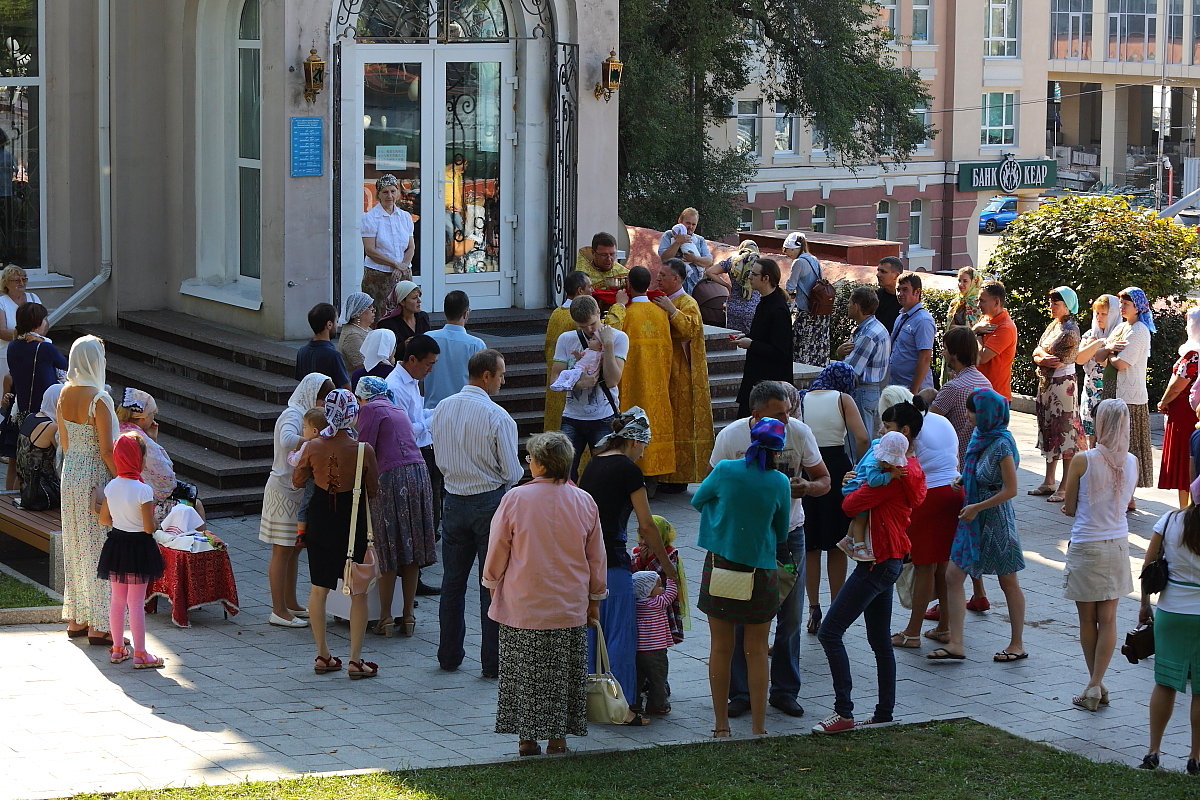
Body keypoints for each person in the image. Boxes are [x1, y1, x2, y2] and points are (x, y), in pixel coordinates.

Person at [482, 431, 606, 757]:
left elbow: (498, 548)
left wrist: (491, 581)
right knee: (562, 674)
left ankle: (526, 738)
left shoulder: (515, 499)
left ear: (538, 463)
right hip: (568, 605)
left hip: (523, 603)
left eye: (530, 458)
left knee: (524, 672)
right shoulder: (583, 501)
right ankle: (557, 739)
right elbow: (596, 557)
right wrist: (595, 598)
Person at [711, 381, 831, 719]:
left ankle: (784, 691)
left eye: (789, 411)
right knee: (738, 614)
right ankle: (740, 692)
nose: (787, 418)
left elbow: (824, 480)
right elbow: (712, 486)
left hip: (789, 536)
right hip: (744, 540)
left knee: (790, 616)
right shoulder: (732, 437)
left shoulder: (799, 432)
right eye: (779, 413)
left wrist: (807, 486)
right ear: (756, 414)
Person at [813, 401, 926, 734]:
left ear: (903, 433)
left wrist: (852, 481)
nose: (880, 433)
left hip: (878, 562)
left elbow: (850, 504)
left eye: (886, 427)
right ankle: (883, 712)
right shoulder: (911, 468)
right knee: (880, 642)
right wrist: (858, 477)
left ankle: (843, 712)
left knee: (829, 631)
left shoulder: (890, 476)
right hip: (890, 560)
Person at [694, 418, 793, 737]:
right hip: (761, 572)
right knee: (757, 649)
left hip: (721, 566)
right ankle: (759, 727)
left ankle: (721, 726)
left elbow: (698, 500)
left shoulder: (724, 470)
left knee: (720, 648)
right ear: (779, 449)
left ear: (751, 439)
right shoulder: (780, 482)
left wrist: (721, 528)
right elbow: (780, 532)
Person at [578, 407, 676, 722]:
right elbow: (646, 525)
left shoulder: (592, 465)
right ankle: (624, 707)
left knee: (592, 631)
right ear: (634, 442)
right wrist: (667, 566)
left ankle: (589, 703)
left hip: (586, 560)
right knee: (620, 634)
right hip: (614, 561)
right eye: (644, 447)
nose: (643, 453)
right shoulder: (628, 471)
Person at [430, 349, 523, 678]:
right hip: (488, 503)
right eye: (500, 374)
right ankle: (492, 662)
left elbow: (437, 453)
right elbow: (512, 472)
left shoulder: (442, 408)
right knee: (492, 584)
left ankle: (449, 654)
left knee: (452, 582)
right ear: (486, 376)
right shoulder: (497, 417)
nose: (503, 380)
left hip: (453, 499)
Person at [930, 388, 1027, 663]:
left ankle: (1017, 643)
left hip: (995, 520)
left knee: (1008, 580)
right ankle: (956, 641)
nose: (968, 415)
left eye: (972, 411)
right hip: (971, 518)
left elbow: (1010, 490)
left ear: (985, 414)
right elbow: (977, 469)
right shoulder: (979, 437)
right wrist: (963, 480)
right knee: (953, 575)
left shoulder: (1002, 444)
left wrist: (977, 506)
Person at [293, 390, 381, 680]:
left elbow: (297, 480)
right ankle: (356, 659)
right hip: (350, 520)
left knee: (318, 588)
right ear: (353, 414)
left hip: (320, 519)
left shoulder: (313, 446)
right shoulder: (362, 449)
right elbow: (373, 490)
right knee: (357, 591)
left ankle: (323, 654)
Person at [1059, 399, 1136, 711]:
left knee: (1086, 620)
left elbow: (1071, 506)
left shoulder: (1083, 459)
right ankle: (1097, 683)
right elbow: (1128, 501)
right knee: (1109, 619)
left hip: (1087, 544)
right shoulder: (1131, 461)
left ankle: (1093, 683)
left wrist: (1069, 506)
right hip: (1118, 543)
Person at [787, 367, 867, 636]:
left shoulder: (802, 397)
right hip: (836, 468)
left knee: (810, 545)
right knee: (836, 544)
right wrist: (861, 466)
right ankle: (836, 608)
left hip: (809, 468)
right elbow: (863, 436)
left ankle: (813, 607)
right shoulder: (843, 399)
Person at [355, 377, 436, 638]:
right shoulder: (396, 407)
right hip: (418, 473)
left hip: (390, 476)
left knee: (387, 545)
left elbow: (362, 450)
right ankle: (408, 616)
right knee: (410, 547)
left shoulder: (369, 409)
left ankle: (386, 616)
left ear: (363, 396)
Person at [887, 390, 966, 650]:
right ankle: (944, 626)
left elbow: (902, 471)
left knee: (923, 567)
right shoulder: (940, 420)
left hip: (929, 497)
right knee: (942, 565)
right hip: (954, 492)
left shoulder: (911, 435)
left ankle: (912, 632)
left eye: (888, 426)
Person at [259, 372, 333, 628]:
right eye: (322, 399)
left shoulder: (302, 413)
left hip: (294, 492)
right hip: (282, 490)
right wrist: (316, 441)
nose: (323, 405)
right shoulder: (292, 414)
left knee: (292, 550)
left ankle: (290, 603)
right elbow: (287, 440)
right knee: (281, 550)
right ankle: (278, 610)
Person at [58, 335, 119, 644]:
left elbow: (65, 443)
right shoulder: (100, 398)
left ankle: (78, 619)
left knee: (76, 545)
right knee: (100, 548)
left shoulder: (64, 393)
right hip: (96, 476)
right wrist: (126, 478)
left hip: (71, 475)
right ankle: (100, 624)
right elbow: (107, 449)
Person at [1137, 496, 1200, 774]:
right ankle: (1195, 757)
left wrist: (1144, 604)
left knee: (1165, 683)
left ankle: (1153, 751)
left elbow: (1149, 565)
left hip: (1172, 611)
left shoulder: (1170, 520)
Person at [96, 432, 165, 670]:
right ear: (138, 459)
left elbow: (105, 519)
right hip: (139, 547)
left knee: (117, 600)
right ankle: (141, 654)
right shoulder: (143, 490)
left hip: (116, 544)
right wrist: (156, 522)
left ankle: (117, 648)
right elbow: (148, 527)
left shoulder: (111, 486)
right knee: (136, 603)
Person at [551, 295, 629, 480]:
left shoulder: (619, 338)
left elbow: (612, 380)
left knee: (605, 473)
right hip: (572, 416)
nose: (588, 330)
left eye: (592, 324)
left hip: (603, 417)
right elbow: (555, 378)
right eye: (581, 326)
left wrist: (608, 344)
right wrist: (580, 383)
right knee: (563, 472)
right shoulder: (566, 339)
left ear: (598, 312)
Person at [653, 258, 712, 489]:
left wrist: (671, 311)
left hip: (682, 372)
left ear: (676, 279)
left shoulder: (687, 302)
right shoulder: (660, 298)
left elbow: (690, 329)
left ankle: (679, 477)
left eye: (662, 275)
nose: (658, 278)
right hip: (664, 368)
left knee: (681, 421)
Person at [614, 265, 676, 478]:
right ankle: (654, 476)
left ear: (628, 286)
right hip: (657, 381)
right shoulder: (661, 313)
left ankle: (632, 473)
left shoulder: (626, 314)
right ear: (648, 284)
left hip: (632, 384)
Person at [116, 389, 207, 525]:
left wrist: (152, 439)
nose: (154, 418)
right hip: (144, 504)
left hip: (122, 498)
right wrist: (152, 442)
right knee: (195, 506)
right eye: (153, 414)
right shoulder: (142, 441)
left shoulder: (117, 430)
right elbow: (167, 483)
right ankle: (203, 544)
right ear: (143, 417)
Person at [1029, 286, 1085, 503]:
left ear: (1067, 305)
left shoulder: (1070, 330)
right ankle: (1048, 480)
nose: (1051, 306)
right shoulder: (1055, 325)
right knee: (1049, 429)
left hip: (1063, 386)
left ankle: (1064, 486)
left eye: (1056, 303)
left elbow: (1057, 360)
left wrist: (1041, 357)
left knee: (1064, 431)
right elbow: (1038, 351)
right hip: (1048, 384)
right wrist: (1041, 356)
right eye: (1051, 302)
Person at [1096, 287, 1154, 492]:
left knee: (1129, 446)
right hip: (1111, 391)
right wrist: (1111, 350)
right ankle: (1114, 488)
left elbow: (1121, 364)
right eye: (1120, 303)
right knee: (1111, 443)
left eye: (1126, 304)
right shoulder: (1121, 328)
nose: (1121, 307)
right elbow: (1098, 356)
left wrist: (1110, 353)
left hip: (1129, 397)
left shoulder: (1139, 330)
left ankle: (1128, 494)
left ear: (1137, 308)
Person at [4, 301, 66, 486]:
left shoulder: (13, 346)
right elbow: (65, 365)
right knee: (33, 468)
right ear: (38, 322)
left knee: (16, 463)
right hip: (42, 416)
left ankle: (8, 503)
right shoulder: (45, 348)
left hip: (21, 412)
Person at [387, 333, 441, 530]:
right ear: (412, 360)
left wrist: (439, 410)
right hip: (412, 453)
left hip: (425, 447)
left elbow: (418, 413)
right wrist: (433, 421)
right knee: (422, 509)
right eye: (428, 364)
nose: (431, 369)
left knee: (432, 505)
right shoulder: (395, 386)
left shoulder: (412, 379)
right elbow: (404, 430)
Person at [734, 257, 792, 419]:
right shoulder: (765, 302)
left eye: (754, 274)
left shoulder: (778, 308)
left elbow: (780, 351)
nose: (749, 277)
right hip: (756, 379)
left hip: (770, 387)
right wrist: (746, 337)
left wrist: (751, 344)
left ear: (766, 278)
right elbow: (763, 335)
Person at [838, 432, 909, 562]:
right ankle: (859, 548)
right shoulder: (874, 464)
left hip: (852, 485)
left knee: (857, 518)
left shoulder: (876, 445)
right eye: (888, 462)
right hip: (854, 488)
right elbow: (873, 481)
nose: (889, 466)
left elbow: (875, 441)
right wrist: (891, 475)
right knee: (861, 518)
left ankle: (847, 540)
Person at [932, 326, 993, 467]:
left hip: (955, 462)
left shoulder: (953, 387)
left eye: (946, 349)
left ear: (955, 354)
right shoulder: (985, 383)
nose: (943, 353)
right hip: (979, 459)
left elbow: (930, 421)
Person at [1157, 306, 1200, 509]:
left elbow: (1177, 386)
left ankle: (1186, 510)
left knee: (1185, 461)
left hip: (1185, 414)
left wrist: (1163, 401)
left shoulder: (1193, 354)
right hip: (1191, 412)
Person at [837, 286, 890, 442]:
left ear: (857, 306)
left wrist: (839, 356)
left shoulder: (868, 334)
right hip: (870, 391)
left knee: (858, 441)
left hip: (862, 391)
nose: (847, 306)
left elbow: (850, 371)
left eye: (849, 302)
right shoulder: (873, 328)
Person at [544, 270, 593, 433]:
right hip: (572, 386)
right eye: (590, 287)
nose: (592, 291)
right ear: (580, 291)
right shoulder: (577, 319)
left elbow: (547, 347)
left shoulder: (556, 313)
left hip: (555, 377)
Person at [361, 173, 416, 318]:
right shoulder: (370, 218)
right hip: (378, 276)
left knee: (406, 315)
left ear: (397, 192)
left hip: (403, 273)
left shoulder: (405, 216)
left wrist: (403, 265)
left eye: (393, 191)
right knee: (380, 316)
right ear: (378, 194)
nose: (389, 195)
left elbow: (411, 247)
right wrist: (396, 264)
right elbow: (370, 250)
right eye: (385, 192)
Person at [423, 290, 485, 410]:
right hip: (465, 410)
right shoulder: (476, 345)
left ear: (444, 312)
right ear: (466, 313)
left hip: (433, 410)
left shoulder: (428, 338)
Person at [632, 515, 687, 645]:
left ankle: (661, 642)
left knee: (662, 628)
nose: (643, 542)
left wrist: (650, 558)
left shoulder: (670, 553)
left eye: (647, 537)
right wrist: (641, 560)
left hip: (661, 600)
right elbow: (634, 574)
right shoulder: (636, 551)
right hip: (641, 602)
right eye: (641, 537)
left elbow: (665, 573)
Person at [1075, 294, 1121, 446]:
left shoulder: (1119, 334)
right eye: (1097, 313)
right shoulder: (1090, 334)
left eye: (1104, 314)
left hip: (1108, 393)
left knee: (1106, 437)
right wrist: (1099, 343)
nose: (1099, 317)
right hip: (1090, 393)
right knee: (1090, 436)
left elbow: (1106, 362)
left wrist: (1100, 346)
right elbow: (1080, 358)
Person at [632, 571, 678, 715]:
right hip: (656, 651)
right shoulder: (656, 603)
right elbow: (671, 594)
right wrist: (671, 579)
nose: (662, 588)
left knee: (638, 679)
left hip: (638, 651)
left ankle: (634, 703)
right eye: (658, 586)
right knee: (658, 679)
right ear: (647, 590)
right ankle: (657, 705)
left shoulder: (635, 606)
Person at [784, 231, 829, 367]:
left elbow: (790, 287)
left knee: (802, 345)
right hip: (819, 311)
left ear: (794, 249)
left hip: (806, 311)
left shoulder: (798, 262)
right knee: (817, 347)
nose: (785, 253)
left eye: (787, 250)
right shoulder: (814, 259)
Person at [887, 272, 936, 393]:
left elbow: (924, 358)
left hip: (914, 391)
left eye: (905, 290)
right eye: (898, 289)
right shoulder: (901, 316)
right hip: (897, 386)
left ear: (917, 292)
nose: (900, 294)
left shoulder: (923, 320)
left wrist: (912, 393)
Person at [15, 383, 60, 509]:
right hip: (41, 491)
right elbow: (65, 454)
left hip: (25, 487)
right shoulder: (51, 427)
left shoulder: (30, 417)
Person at [973, 281, 1018, 401]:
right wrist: (975, 330)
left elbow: (981, 358)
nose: (978, 305)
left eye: (982, 301)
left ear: (996, 302)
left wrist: (977, 334)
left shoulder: (1005, 327)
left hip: (995, 397)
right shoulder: (986, 318)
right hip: (980, 392)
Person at [0, 263, 42, 388]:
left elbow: (44, 322)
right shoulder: (2, 302)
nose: (22, 283)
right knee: (7, 391)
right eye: (17, 280)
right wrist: (27, 336)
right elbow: (1, 331)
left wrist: (35, 337)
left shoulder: (33, 298)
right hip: (8, 354)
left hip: (33, 352)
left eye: (24, 279)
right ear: (6, 283)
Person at [707, 240, 761, 335]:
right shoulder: (759, 263)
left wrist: (727, 285)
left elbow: (709, 272)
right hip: (753, 307)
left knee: (734, 339)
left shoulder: (732, 261)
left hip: (733, 307)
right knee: (752, 340)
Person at [657, 207, 713, 293]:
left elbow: (709, 261)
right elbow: (664, 259)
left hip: (693, 288)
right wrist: (678, 242)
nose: (690, 227)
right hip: (671, 288)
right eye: (688, 223)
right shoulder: (669, 235)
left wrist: (694, 259)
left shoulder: (699, 240)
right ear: (680, 221)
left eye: (693, 224)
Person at [295, 303, 350, 390]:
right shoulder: (333, 355)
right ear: (329, 324)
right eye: (336, 321)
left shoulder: (302, 351)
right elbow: (346, 387)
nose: (338, 325)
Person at [376, 280, 431, 347]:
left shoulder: (423, 317)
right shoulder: (387, 324)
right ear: (402, 302)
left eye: (419, 297)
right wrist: (404, 345)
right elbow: (385, 351)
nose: (419, 301)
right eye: (414, 298)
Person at [337, 292, 376, 375]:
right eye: (369, 307)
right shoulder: (352, 335)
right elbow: (362, 366)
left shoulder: (366, 329)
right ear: (358, 312)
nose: (374, 310)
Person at [874, 256, 904, 334]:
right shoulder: (876, 297)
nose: (878, 275)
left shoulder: (905, 300)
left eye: (883, 272)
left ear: (896, 275)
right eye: (878, 270)